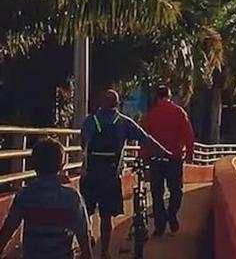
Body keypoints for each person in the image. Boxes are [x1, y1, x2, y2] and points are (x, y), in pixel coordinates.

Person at [80, 89, 170, 259]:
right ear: (118, 103)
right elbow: (146, 139)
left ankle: (87, 245)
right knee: (106, 218)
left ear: (101, 103)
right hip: (111, 176)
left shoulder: (90, 121)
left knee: (85, 212)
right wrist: (164, 152)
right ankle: (104, 252)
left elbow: (82, 144)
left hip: (90, 174)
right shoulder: (124, 122)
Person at [0, 138, 93, 259]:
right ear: (62, 166)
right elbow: (83, 236)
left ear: (33, 165)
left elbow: (8, 229)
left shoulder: (25, 195)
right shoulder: (72, 198)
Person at [140, 85, 195, 237]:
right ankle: (171, 214)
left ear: (157, 97)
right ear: (169, 96)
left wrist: (143, 156)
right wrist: (189, 153)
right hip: (174, 158)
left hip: (156, 159)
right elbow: (189, 134)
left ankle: (160, 225)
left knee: (157, 193)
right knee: (176, 190)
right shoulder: (179, 112)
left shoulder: (150, 115)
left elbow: (144, 138)